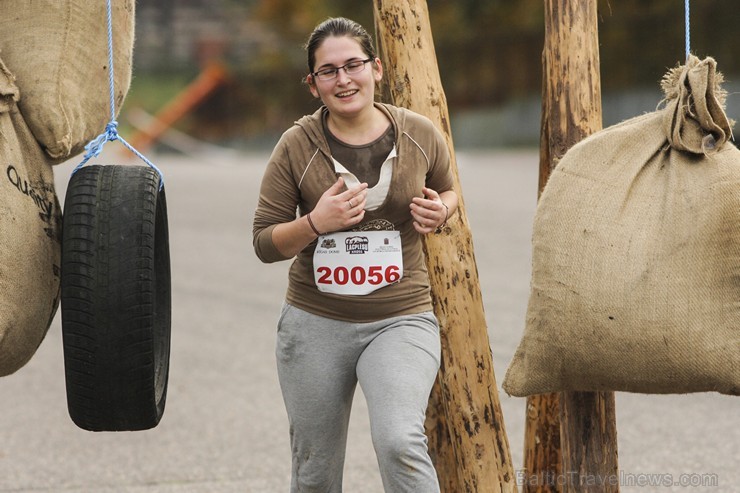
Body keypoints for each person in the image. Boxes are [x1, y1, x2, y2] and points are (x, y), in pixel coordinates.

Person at [252, 16, 458, 493]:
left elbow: (448, 190)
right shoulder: (296, 145)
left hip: (401, 318)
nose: (343, 79)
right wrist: (314, 224)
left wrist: (440, 212)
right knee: (315, 472)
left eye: (353, 65)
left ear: (377, 68)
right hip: (315, 323)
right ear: (313, 84)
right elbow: (264, 242)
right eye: (328, 71)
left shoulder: (419, 133)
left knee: (400, 442)